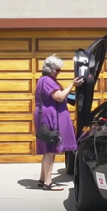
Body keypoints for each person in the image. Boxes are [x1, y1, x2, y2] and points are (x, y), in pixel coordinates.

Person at [34, 54, 84, 191]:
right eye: (57, 70)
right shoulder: (47, 80)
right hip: (48, 117)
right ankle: (48, 183)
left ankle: (43, 178)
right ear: (50, 69)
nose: (59, 72)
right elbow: (60, 97)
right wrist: (73, 84)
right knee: (50, 150)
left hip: (45, 115)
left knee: (47, 149)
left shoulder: (44, 80)